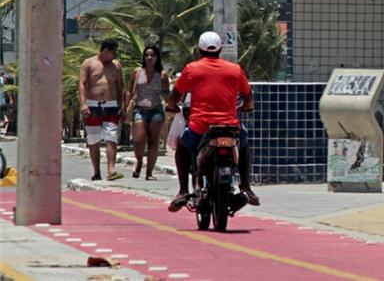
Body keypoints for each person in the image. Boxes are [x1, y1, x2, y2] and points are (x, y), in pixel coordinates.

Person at [165, 31, 259, 212]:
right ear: (220, 49)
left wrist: (171, 106)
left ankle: (183, 191)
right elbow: (248, 95)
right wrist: (248, 106)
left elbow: (175, 95)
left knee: (182, 147)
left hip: (200, 128)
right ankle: (246, 187)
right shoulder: (235, 69)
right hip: (230, 128)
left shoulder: (191, 69)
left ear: (199, 50)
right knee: (244, 145)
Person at [79, 39, 124, 181]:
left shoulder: (116, 66)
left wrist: (122, 105)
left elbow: (120, 86)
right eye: (113, 52)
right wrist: (84, 104)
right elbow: (82, 84)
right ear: (105, 51)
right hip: (93, 105)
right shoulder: (89, 63)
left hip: (111, 105)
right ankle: (96, 171)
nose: (115, 55)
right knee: (94, 140)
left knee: (112, 137)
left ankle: (111, 170)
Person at [126, 46, 169, 180]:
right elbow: (129, 91)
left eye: (153, 55)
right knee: (139, 140)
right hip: (140, 109)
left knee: (153, 141)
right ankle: (139, 162)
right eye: (147, 55)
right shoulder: (137, 72)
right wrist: (125, 107)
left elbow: (166, 93)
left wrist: (171, 103)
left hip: (156, 109)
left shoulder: (162, 75)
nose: (149, 58)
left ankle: (149, 172)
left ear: (157, 58)